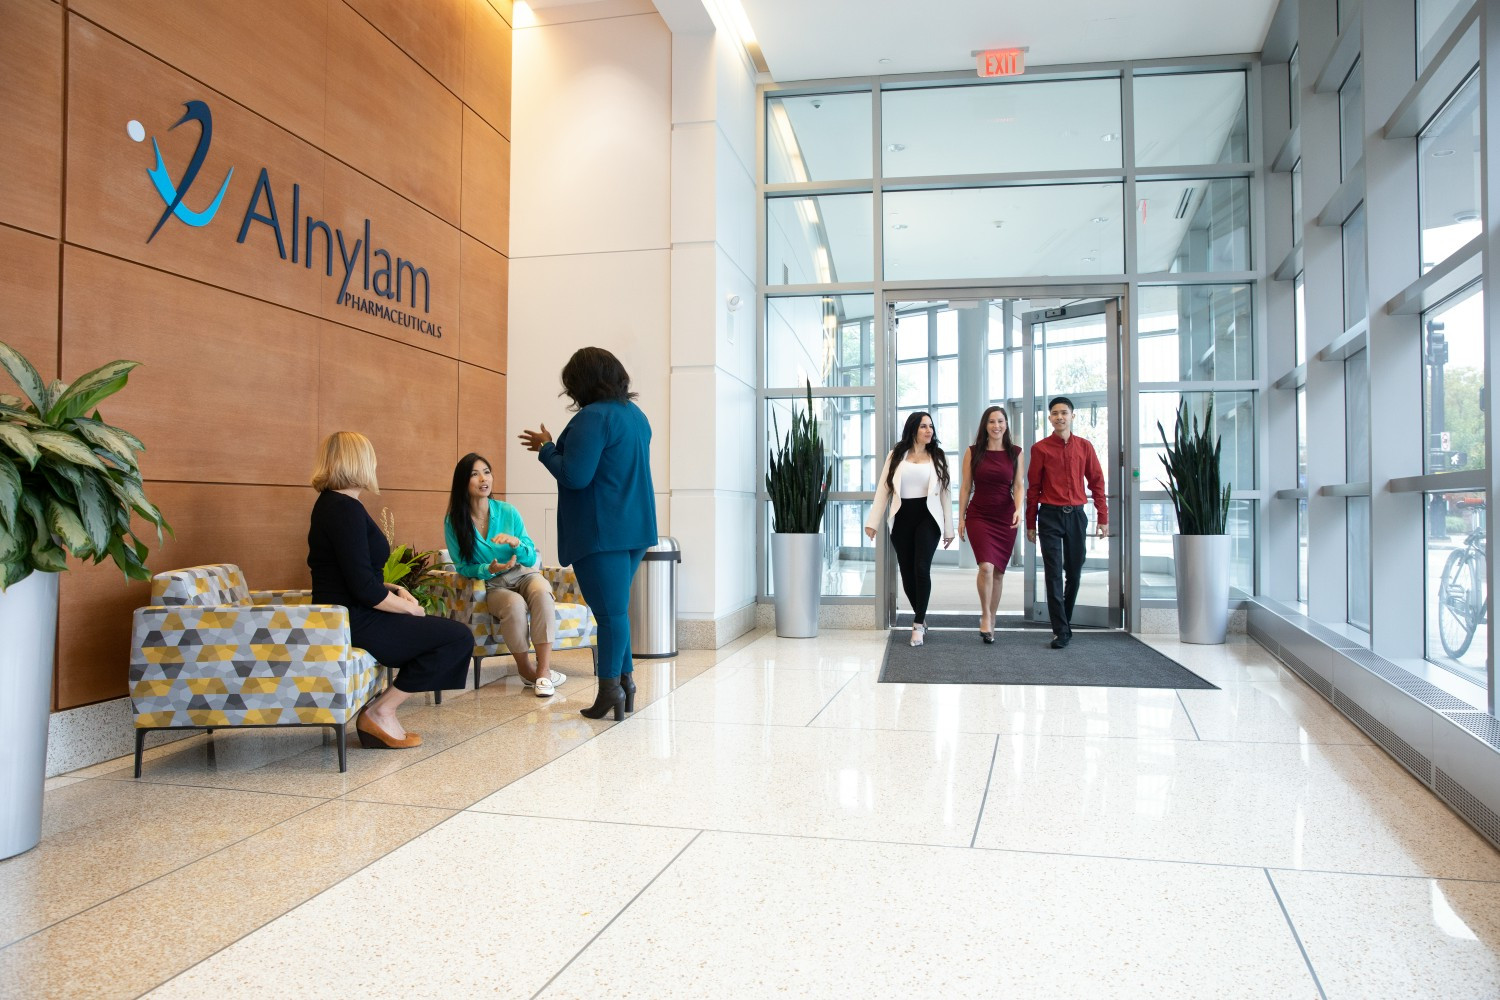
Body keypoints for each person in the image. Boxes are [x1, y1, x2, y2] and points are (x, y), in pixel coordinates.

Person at [307, 431, 472, 749]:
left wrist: (395, 589)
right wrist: (409, 608)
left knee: (444, 636)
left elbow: (353, 573)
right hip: (352, 618)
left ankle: (383, 711)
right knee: (456, 638)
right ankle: (381, 711)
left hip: (347, 614)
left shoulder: (335, 505)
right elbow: (362, 588)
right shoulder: (343, 509)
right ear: (359, 462)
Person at [519, 347, 656, 721]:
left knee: (610, 614)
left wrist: (546, 449)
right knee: (617, 612)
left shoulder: (592, 418)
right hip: (635, 528)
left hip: (602, 532)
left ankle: (610, 688)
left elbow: (575, 476)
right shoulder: (637, 417)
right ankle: (625, 684)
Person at [443, 453, 566, 697]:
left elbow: (530, 558)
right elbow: (462, 566)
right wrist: (487, 569)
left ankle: (543, 672)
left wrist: (516, 544)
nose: (483, 479)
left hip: (523, 574)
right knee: (514, 605)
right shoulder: (454, 522)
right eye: (474, 474)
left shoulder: (508, 512)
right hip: (494, 584)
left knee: (542, 591)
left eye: (487, 472)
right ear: (463, 482)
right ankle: (525, 669)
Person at [864, 411, 955, 647]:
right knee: (906, 571)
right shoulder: (896, 455)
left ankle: (917, 624)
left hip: (928, 517)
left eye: (931, 427)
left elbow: (946, 494)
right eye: (924, 426)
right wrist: (872, 522)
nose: (929, 431)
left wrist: (949, 528)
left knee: (921, 567)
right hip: (902, 517)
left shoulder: (938, 456)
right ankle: (921, 616)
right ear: (913, 429)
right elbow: (883, 490)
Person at [1024, 397, 1108, 649]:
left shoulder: (1085, 447)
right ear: (1049, 418)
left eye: (1064, 413)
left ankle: (1065, 620)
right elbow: (1033, 489)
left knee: (1073, 570)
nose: (1059, 417)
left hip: (1076, 516)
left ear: (1072, 416)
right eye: (1055, 413)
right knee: (1052, 573)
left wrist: (1103, 517)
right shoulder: (1040, 449)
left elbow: (1097, 483)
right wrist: (1031, 523)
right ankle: (1060, 630)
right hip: (1049, 515)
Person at [958, 406, 1023, 644]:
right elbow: (966, 486)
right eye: (992, 422)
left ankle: (993, 617)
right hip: (979, 515)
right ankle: (985, 614)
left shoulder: (1016, 452)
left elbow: (1018, 485)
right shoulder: (973, 452)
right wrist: (961, 516)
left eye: (1001, 421)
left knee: (998, 572)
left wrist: (1018, 508)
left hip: (1005, 516)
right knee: (985, 566)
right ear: (985, 426)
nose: (997, 426)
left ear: (1006, 424)